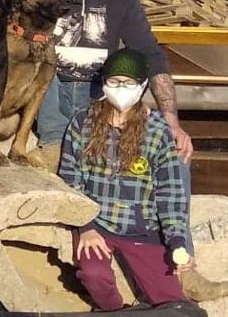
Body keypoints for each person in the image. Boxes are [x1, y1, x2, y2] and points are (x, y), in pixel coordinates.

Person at [35, 0, 193, 161]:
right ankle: (54, 146)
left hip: (97, 93)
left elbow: (150, 57)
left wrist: (171, 122)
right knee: (39, 69)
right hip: (46, 96)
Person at [58, 48, 195, 310]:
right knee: (94, 275)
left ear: (142, 86)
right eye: (114, 81)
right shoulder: (82, 123)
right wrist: (85, 227)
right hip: (97, 224)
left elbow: (171, 193)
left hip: (141, 229)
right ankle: (114, 311)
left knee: (173, 302)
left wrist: (177, 241)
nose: (121, 88)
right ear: (104, 83)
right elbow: (70, 179)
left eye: (129, 83)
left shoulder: (157, 131)